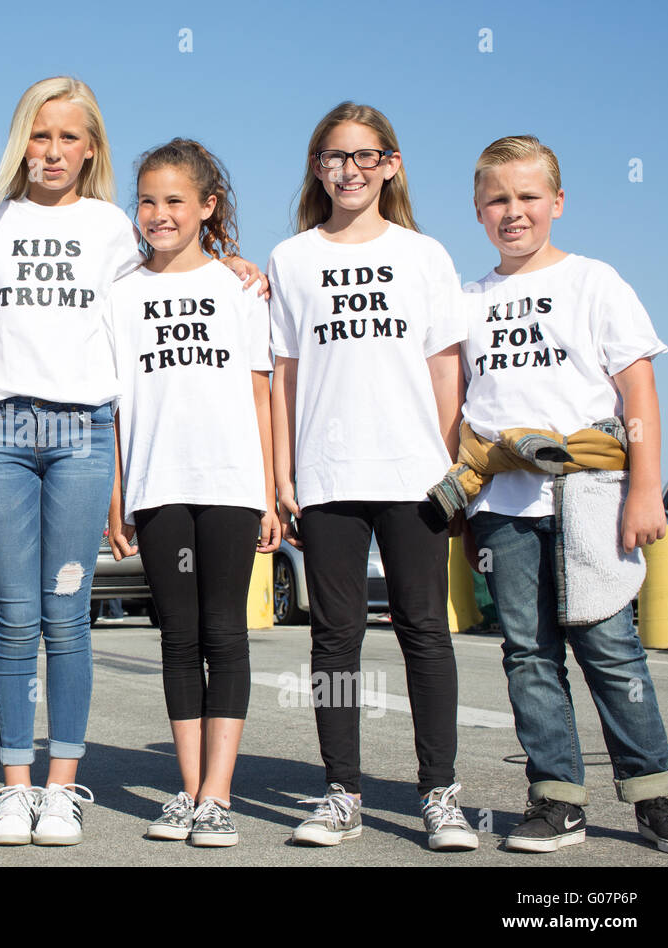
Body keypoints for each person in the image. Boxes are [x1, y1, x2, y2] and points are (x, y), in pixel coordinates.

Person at [0, 77, 263, 847]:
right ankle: (14, 788)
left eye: (67, 138)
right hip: (2, 434)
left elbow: (174, 265)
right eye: (39, 136)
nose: (51, 152)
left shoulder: (113, 229)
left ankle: (63, 787)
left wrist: (237, 264)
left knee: (67, 616)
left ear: (91, 149)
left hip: (84, 434)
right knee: (15, 618)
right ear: (22, 142)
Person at [460, 135, 668, 854]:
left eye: (529, 197)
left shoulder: (595, 281)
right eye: (498, 199)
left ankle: (654, 795)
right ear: (478, 209)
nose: (514, 212)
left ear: (557, 202)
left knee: (612, 648)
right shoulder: (468, 301)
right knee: (527, 653)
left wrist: (645, 489)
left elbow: (637, 390)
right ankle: (556, 798)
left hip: (592, 494)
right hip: (504, 506)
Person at [268, 103, 477, 851]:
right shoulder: (290, 258)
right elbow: (282, 375)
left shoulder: (424, 255)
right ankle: (341, 792)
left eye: (364, 156)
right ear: (316, 167)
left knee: (425, 632)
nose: (348, 170)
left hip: (415, 474)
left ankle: (439, 794)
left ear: (390, 163)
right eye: (333, 157)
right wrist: (281, 472)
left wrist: (456, 468)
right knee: (336, 639)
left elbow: (445, 366)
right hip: (326, 475)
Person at [107, 139, 280, 847]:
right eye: (147, 200)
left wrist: (271, 494)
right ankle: (185, 791)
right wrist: (118, 497)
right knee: (177, 637)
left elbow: (261, 392)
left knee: (224, 633)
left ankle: (218, 795)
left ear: (208, 207)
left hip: (232, 484)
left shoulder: (239, 288)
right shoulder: (119, 292)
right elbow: (114, 406)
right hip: (158, 483)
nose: (159, 213)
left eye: (175, 200)